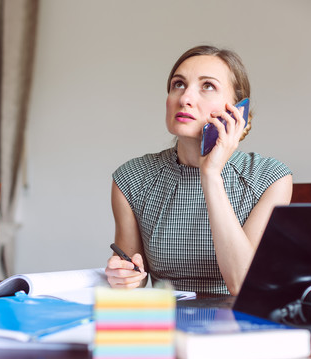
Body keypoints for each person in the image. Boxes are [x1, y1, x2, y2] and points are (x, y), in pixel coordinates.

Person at [105, 45, 293, 296]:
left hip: (239, 326)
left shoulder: (271, 178)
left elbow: (242, 284)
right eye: (178, 84)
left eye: (207, 86)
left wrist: (211, 175)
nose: (185, 98)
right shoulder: (132, 178)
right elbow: (135, 279)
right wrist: (124, 278)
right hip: (167, 324)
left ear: (238, 110)